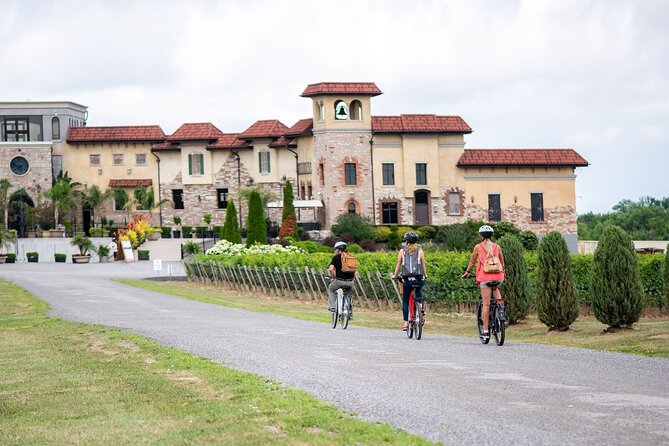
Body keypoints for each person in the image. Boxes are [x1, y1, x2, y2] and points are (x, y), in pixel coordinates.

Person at [461, 225, 505, 336]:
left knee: (486, 304)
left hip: (485, 277)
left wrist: (467, 272)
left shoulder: (478, 247)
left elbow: (472, 262)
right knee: (495, 288)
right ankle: (500, 306)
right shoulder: (497, 246)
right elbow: (502, 262)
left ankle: (485, 330)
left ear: (481, 235)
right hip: (498, 277)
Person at [392, 231, 427, 331]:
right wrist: (425, 275)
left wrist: (395, 276)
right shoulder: (420, 251)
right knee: (418, 289)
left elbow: (398, 266)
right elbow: (423, 266)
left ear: (406, 241)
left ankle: (405, 323)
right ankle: (420, 308)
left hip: (407, 279)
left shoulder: (402, 251)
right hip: (418, 279)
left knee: (405, 300)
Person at [327, 241, 355, 316]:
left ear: (339, 249)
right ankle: (349, 313)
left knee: (331, 288)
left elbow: (330, 269)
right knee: (349, 295)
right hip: (350, 282)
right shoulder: (351, 257)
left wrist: (333, 277)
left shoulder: (336, 258)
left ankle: (332, 307)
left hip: (339, 281)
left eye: (335, 249)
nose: (335, 251)